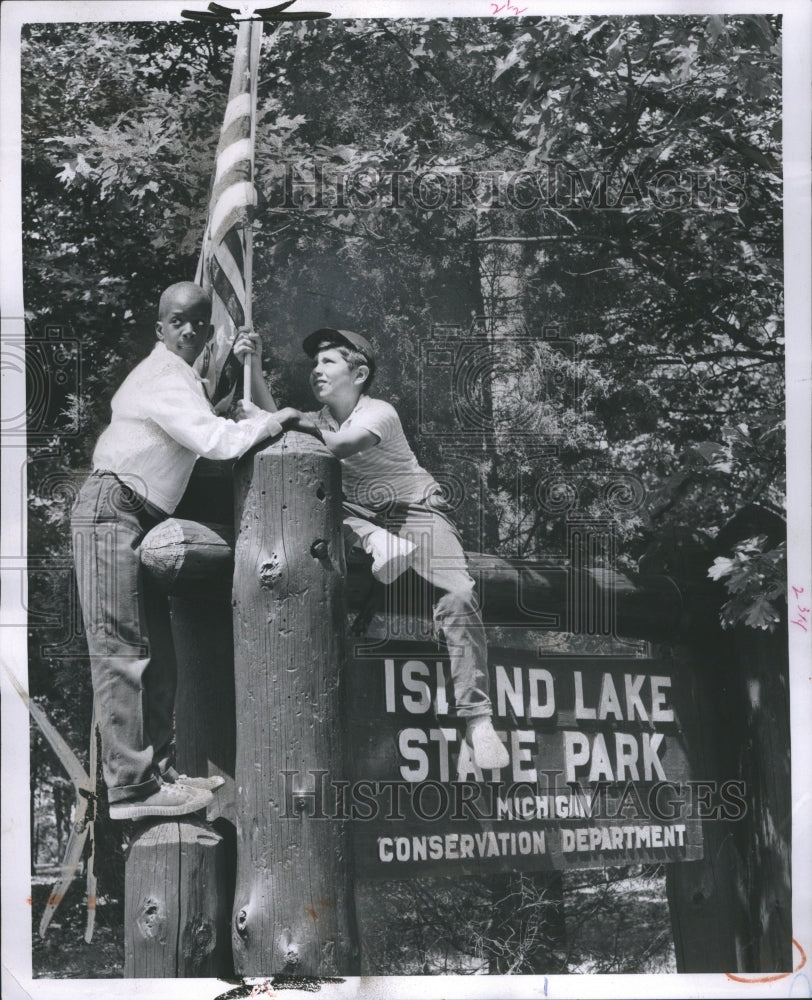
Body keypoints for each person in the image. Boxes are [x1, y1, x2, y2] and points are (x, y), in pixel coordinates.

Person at [71, 282, 283, 820]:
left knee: (155, 654)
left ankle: (158, 773)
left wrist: (238, 404)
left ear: (208, 331)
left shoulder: (184, 379)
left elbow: (209, 426)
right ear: (160, 329)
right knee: (122, 651)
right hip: (111, 510)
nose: (189, 330)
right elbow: (216, 441)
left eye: (198, 322)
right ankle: (130, 791)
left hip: (136, 516)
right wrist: (276, 421)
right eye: (178, 321)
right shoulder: (162, 375)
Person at [267, 328, 510, 772]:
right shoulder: (316, 419)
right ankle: (376, 542)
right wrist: (254, 378)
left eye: (328, 363)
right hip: (360, 518)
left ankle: (477, 719)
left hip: (414, 513)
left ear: (359, 373)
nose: (316, 371)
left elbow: (340, 445)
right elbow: (272, 426)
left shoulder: (379, 412)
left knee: (458, 595)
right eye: (314, 364)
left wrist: (284, 414)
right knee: (308, 498)